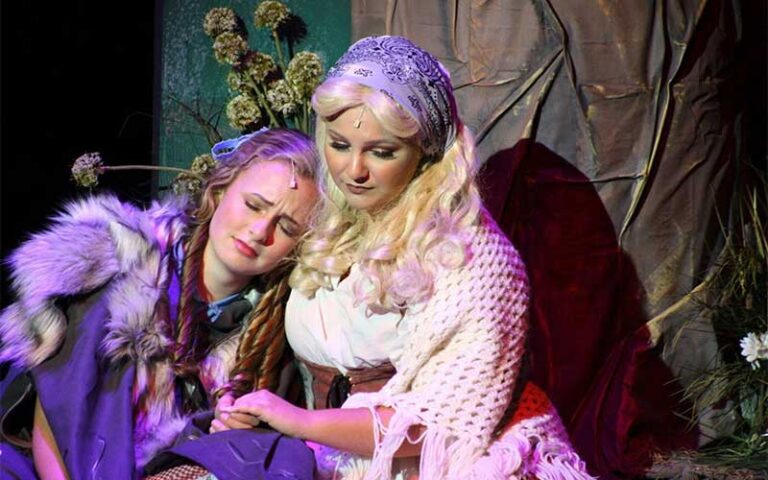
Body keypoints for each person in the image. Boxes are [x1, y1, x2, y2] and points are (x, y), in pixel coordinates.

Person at [201, 36, 593, 479]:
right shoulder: (328, 221)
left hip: (444, 464)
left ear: (425, 149)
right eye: (340, 144)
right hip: (330, 458)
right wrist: (248, 409)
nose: (354, 170)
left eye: (381, 152)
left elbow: (446, 429)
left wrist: (302, 422)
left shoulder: (473, 257)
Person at [0, 128, 320, 479]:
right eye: (253, 205)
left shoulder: (271, 336)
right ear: (220, 189)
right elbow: (52, 410)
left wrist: (229, 436)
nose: (260, 231)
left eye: (286, 228)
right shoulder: (118, 272)